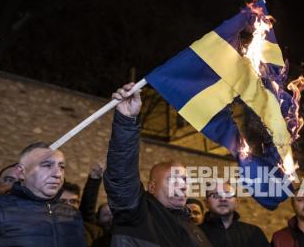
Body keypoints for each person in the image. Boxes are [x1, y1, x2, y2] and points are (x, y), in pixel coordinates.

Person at [103, 83, 211, 247]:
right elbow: (121, 176)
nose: (182, 186)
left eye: (185, 180)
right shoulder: (138, 215)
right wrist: (126, 120)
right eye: (173, 179)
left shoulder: (195, 229)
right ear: (151, 188)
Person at [0, 142, 86, 246]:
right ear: (21, 172)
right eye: (47, 165)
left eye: (61, 167)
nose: (57, 174)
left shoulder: (73, 215)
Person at [200, 182, 269, 247]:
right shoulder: (196, 233)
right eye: (215, 195)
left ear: (237, 202)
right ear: (206, 203)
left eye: (229, 195)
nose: (223, 199)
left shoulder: (254, 233)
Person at [61, 181, 103, 247]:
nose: (68, 205)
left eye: (73, 201)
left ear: (78, 204)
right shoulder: (45, 229)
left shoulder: (95, 232)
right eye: (63, 201)